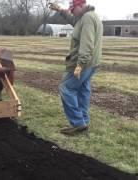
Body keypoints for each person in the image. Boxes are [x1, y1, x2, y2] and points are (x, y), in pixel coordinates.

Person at [49, 0, 103, 135]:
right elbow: (74, 21)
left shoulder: (88, 19)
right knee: (83, 91)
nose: (72, 12)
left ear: (80, 6)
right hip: (92, 63)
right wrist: (61, 10)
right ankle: (83, 121)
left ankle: (78, 124)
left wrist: (80, 65)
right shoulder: (87, 16)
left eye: (73, 10)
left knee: (66, 88)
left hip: (84, 63)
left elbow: (87, 44)